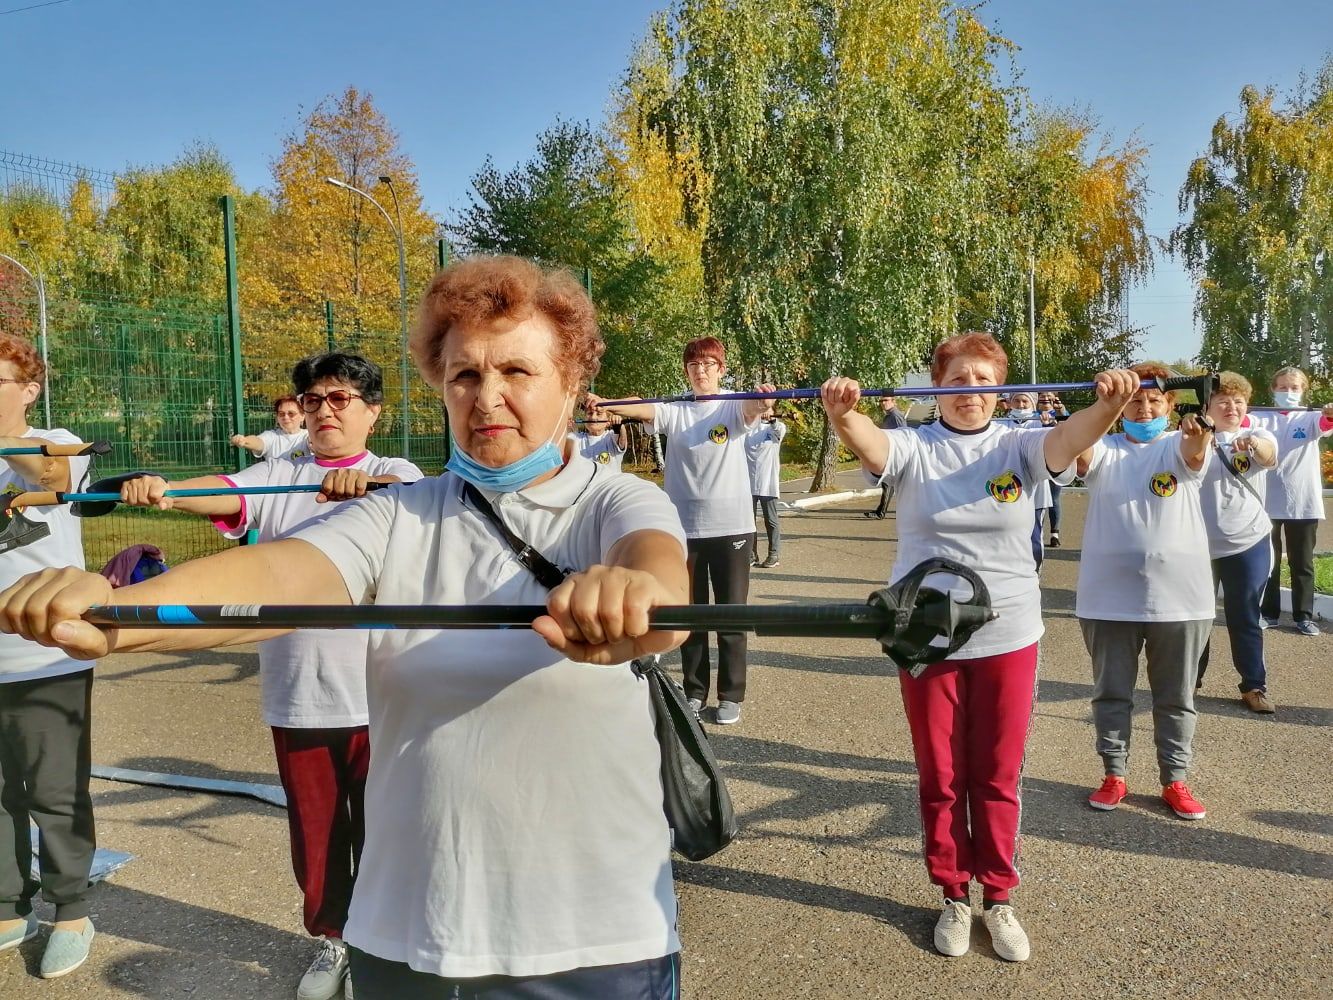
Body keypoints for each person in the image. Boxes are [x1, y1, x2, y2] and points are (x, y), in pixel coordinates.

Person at [0, 255, 690, 1000]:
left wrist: (634, 597)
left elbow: (656, 575)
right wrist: (111, 613)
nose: (487, 397)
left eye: (517, 371)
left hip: (591, 936)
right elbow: (281, 576)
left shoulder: (613, 500)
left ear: (572, 383)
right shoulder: (401, 512)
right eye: (463, 375)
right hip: (404, 930)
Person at [821, 331, 1140, 963]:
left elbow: (1070, 438)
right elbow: (875, 445)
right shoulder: (916, 446)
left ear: (1002, 391)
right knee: (941, 776)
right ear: (938, 385)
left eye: (985, 383)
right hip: (928, 637)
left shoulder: (1019, 444)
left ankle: (998, 897)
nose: (972, 394)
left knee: (996, 775)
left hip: (1008, 636)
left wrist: (1108, 405)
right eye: (959, 381)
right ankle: (951, 895)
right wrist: (843, 412)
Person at [118, 352, 421, 1000]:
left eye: (340, 399)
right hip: (301, 699)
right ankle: (332, 940)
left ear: (372, 411)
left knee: (385, 834)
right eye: (313, 400)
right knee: (316, 840)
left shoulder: (393, 472)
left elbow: (419, 507)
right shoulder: (281, 472)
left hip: (382, 700)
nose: (324, 411)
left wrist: (366, 490)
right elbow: (224, 490)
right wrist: (165, 490)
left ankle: (380, 948)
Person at [588, 338, 772, 726]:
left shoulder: (732, 404)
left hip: (733, 529)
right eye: (693, 365)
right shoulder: (676, 410)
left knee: (730, 616)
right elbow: (641, 407)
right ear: (686, 371)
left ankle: (731, 694)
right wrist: (605, 403)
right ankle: (693, 690)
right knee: (690, 615)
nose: (700, 370)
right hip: (683, 529)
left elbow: (755, 409)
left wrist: (763, 400)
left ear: (721, 369)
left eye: (708, 364)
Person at [1076, 362, 1216, 824]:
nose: (1145, 406)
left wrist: (1199, 434)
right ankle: (1114, 773)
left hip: (1182, 599)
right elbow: (1076, 454)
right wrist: (1105, 404)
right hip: (1107, 598)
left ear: (1171, 405)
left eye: (1155, 399)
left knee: (1175, 696)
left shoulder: (1180, 443)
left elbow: (1196, 453)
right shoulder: (1104, 447)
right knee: (1111, 693)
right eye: (1136, 399)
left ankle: (1175, 778)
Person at [0, 332, 99, 980]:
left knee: (55, 793)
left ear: (30, 388)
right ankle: (10, 906)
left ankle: (71, 910)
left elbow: (55, 475)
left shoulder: (60, 442)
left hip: (46, 659)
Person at [1193, 373, 1279, 713]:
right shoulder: (1190, 438)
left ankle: (1254, 686)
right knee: (1196, 618)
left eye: (1239, 401)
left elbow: (1269, 454)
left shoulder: (1256, 434)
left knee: (1244, 615)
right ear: (1207, 406)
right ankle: (1190, 683)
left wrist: (1255, 446)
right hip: (1197, 545)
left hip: (1249, 541)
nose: (1232, 407)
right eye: (1223, 401)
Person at [1252, 366, 1333, 636]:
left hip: (1303, 502)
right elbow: (1237, 426)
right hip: (1265, 501)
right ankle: (1269, 613)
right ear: (1273, 390)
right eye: (1283, 387)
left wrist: (1330, 414)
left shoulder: (1310, 418)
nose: (1289, 392)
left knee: (1302, 562)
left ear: (1303, 391)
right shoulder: (1258, 417)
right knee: (1269, 561)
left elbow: (1325, 425)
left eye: (1294, 388)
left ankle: (1303, 616)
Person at [1006, 392, 1054, 569]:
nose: (1020, 405)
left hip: (1037, 492)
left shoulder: (1040, 423)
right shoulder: (1002, 424)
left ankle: (1035, 572)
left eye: (1025, 401)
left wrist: (1048, 425)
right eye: (1016, 400)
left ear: (1032, 403)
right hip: (1010, 489)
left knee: (1034, 536)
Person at [746, 404, 786, 567]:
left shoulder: (776, 429)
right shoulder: (748, 429)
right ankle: (751, 554)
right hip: (747, 483)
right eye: (762, 409)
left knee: (771, 520)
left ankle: (774, 554)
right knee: (748, 522)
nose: (764, 412)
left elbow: (778, 429)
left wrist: (772, 420)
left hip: (767, 483)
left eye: (767, 409)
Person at [232, 395, 310, 461]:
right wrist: (244, 440)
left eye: (291, 414)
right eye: (281, 414)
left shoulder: (308, 436)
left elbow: (314, 444)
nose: (286, 417)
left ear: (303, 416)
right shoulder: (272, 436)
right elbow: (259, 442)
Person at [865, 397, 906, 519]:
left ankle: (880, 513)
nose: (883, 403)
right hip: (889, 452)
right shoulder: (890, 415)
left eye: (886, 400)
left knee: (887, 483)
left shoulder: (895, 415)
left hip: (894, 453)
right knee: (890, 484)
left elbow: (904, 433)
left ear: (893, 401)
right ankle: (881, 511)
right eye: (881, 401)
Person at [1037, 393, 1068, 546]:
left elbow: (1069, 427)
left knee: (1054, 498)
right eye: (1042, 396)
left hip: (1055, 461)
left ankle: (1054, 534)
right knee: (1036, 499)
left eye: (1050, 396)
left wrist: (1061, 409)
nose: (1046, 399)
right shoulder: (1031, 415)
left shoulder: (1060, 413)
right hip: (1036, 460)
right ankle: (1037, 532)